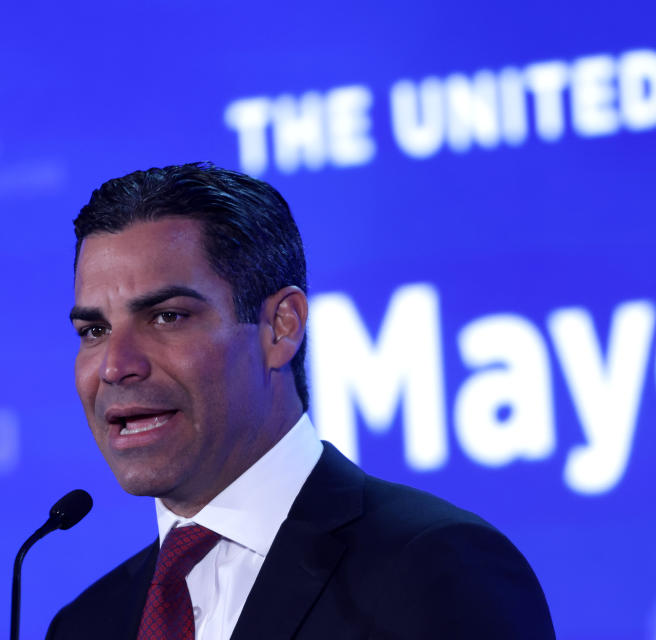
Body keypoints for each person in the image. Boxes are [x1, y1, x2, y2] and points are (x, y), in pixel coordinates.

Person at [48, 162, 555, 639]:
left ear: (280, 326)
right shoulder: (86, 624)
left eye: (167, 317)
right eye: (94, 330)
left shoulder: (435, 569)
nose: (115, 366)